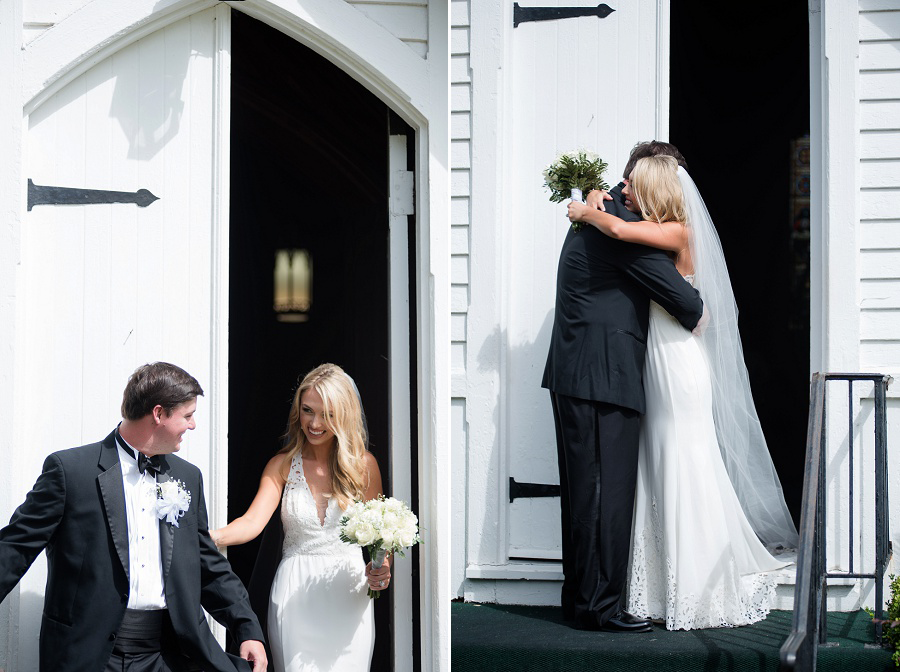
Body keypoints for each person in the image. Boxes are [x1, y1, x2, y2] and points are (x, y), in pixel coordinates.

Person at [567, 154, 799, 630]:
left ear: (654, 191)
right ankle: (655, 582)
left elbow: (621, 235)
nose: (622, 191)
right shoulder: (656, 228)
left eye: (632, 186)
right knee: (656, 464)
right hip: (652, 358)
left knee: (683, 459)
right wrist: (597, 204)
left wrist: (588, 209)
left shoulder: (678, 231)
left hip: (676, 360)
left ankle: (696, 586)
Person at [0, 362, 267, 672]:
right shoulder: (70, 471)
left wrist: (246, 627)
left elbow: (208, 565)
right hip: (88, 654)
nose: (192, 426)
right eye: (188, 415)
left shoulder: (187, 477)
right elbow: (15, 549)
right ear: (158, 414)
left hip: (165, 655)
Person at [541, 141, 705, 633]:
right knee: (603, 495)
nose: (627, 187)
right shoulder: (615, 228)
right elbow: (686, 302)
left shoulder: (603, 210)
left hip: (582, 373)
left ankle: (582, 598)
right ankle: (599, 607)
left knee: (584, 494)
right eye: (629, 181)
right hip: (601, 376)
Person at [211, 363, 389, 672]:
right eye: (308, 410)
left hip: (349, 594)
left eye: (328, 414)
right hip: (294, 595)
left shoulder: (364, 466)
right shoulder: (281, 465)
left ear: (344, 414)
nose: (315, 423)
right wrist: (207, 538)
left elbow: (379, 539)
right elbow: (252, 523)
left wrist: (383, 568)